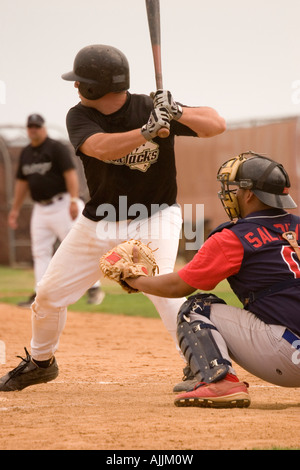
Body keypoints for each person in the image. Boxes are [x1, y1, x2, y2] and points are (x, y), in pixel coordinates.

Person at [0, 44, 225, 392]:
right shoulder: (79, 116)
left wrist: (176, 111)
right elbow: (100, 147)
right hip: (99, 220)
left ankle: (203, 366)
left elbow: (216, 125)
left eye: (80, 81)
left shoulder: (150, 107)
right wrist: (147, 133)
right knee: (47, 295)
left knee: (165, 289)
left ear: (93, 86)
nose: (76, 86)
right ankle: (41, 362)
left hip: (155, 214)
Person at [121, 152, 300, 408]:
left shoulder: (233, 237)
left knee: (195, 308)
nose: (231, 194)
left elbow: (179, 286)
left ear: (250, 194)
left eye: (236, 188)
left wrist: (136, 280)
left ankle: (221, 382)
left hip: (289, 356)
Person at [8, 113, 104, 307]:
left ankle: (95, 288)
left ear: (43, 128)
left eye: (37, 126)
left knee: (79, 247)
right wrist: (15, 209)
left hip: (63, 204)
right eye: (31, 127)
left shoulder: (55, 148)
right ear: (28, 130)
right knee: (40, 252)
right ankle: (40, 294)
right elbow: (21, 183)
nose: (34, 129)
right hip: (40, 209)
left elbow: (70, 173)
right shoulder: (26, 153)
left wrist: (74, 200)